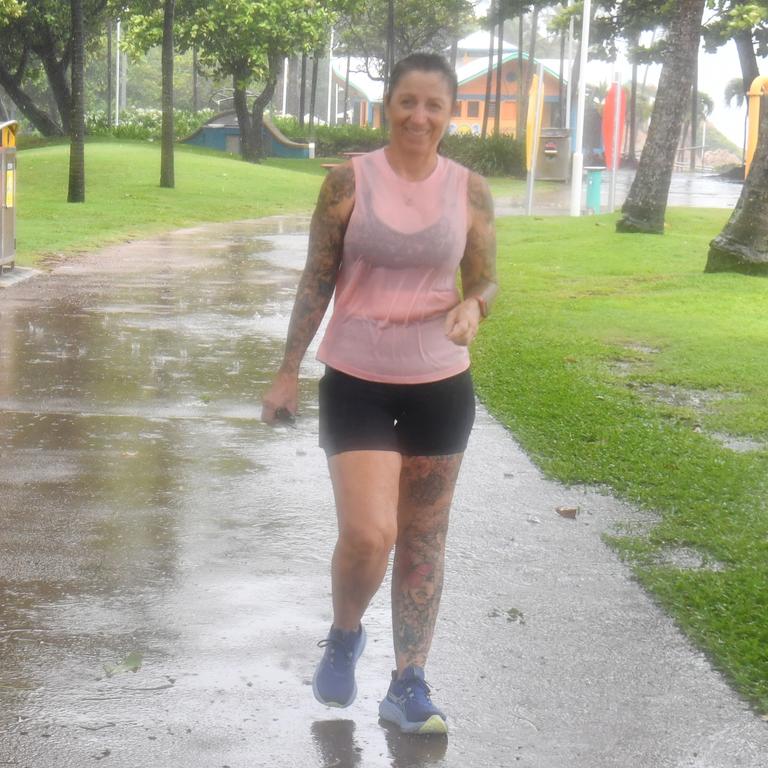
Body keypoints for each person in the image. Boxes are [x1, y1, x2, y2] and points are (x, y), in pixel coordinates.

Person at [261, 52, 497, 735]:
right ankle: (344, 633)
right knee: (370, 534)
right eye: (408, 102)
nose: (420, 116)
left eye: (435, 105)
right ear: (386, 107)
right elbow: (316, 278)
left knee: (423, 538)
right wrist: (286, 371)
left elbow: (485, 279)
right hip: (357, 380)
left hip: (441, 386)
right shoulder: (347, 182)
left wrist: (475, 308)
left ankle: (408, 683)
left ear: (450, 116)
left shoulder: (469, 191)